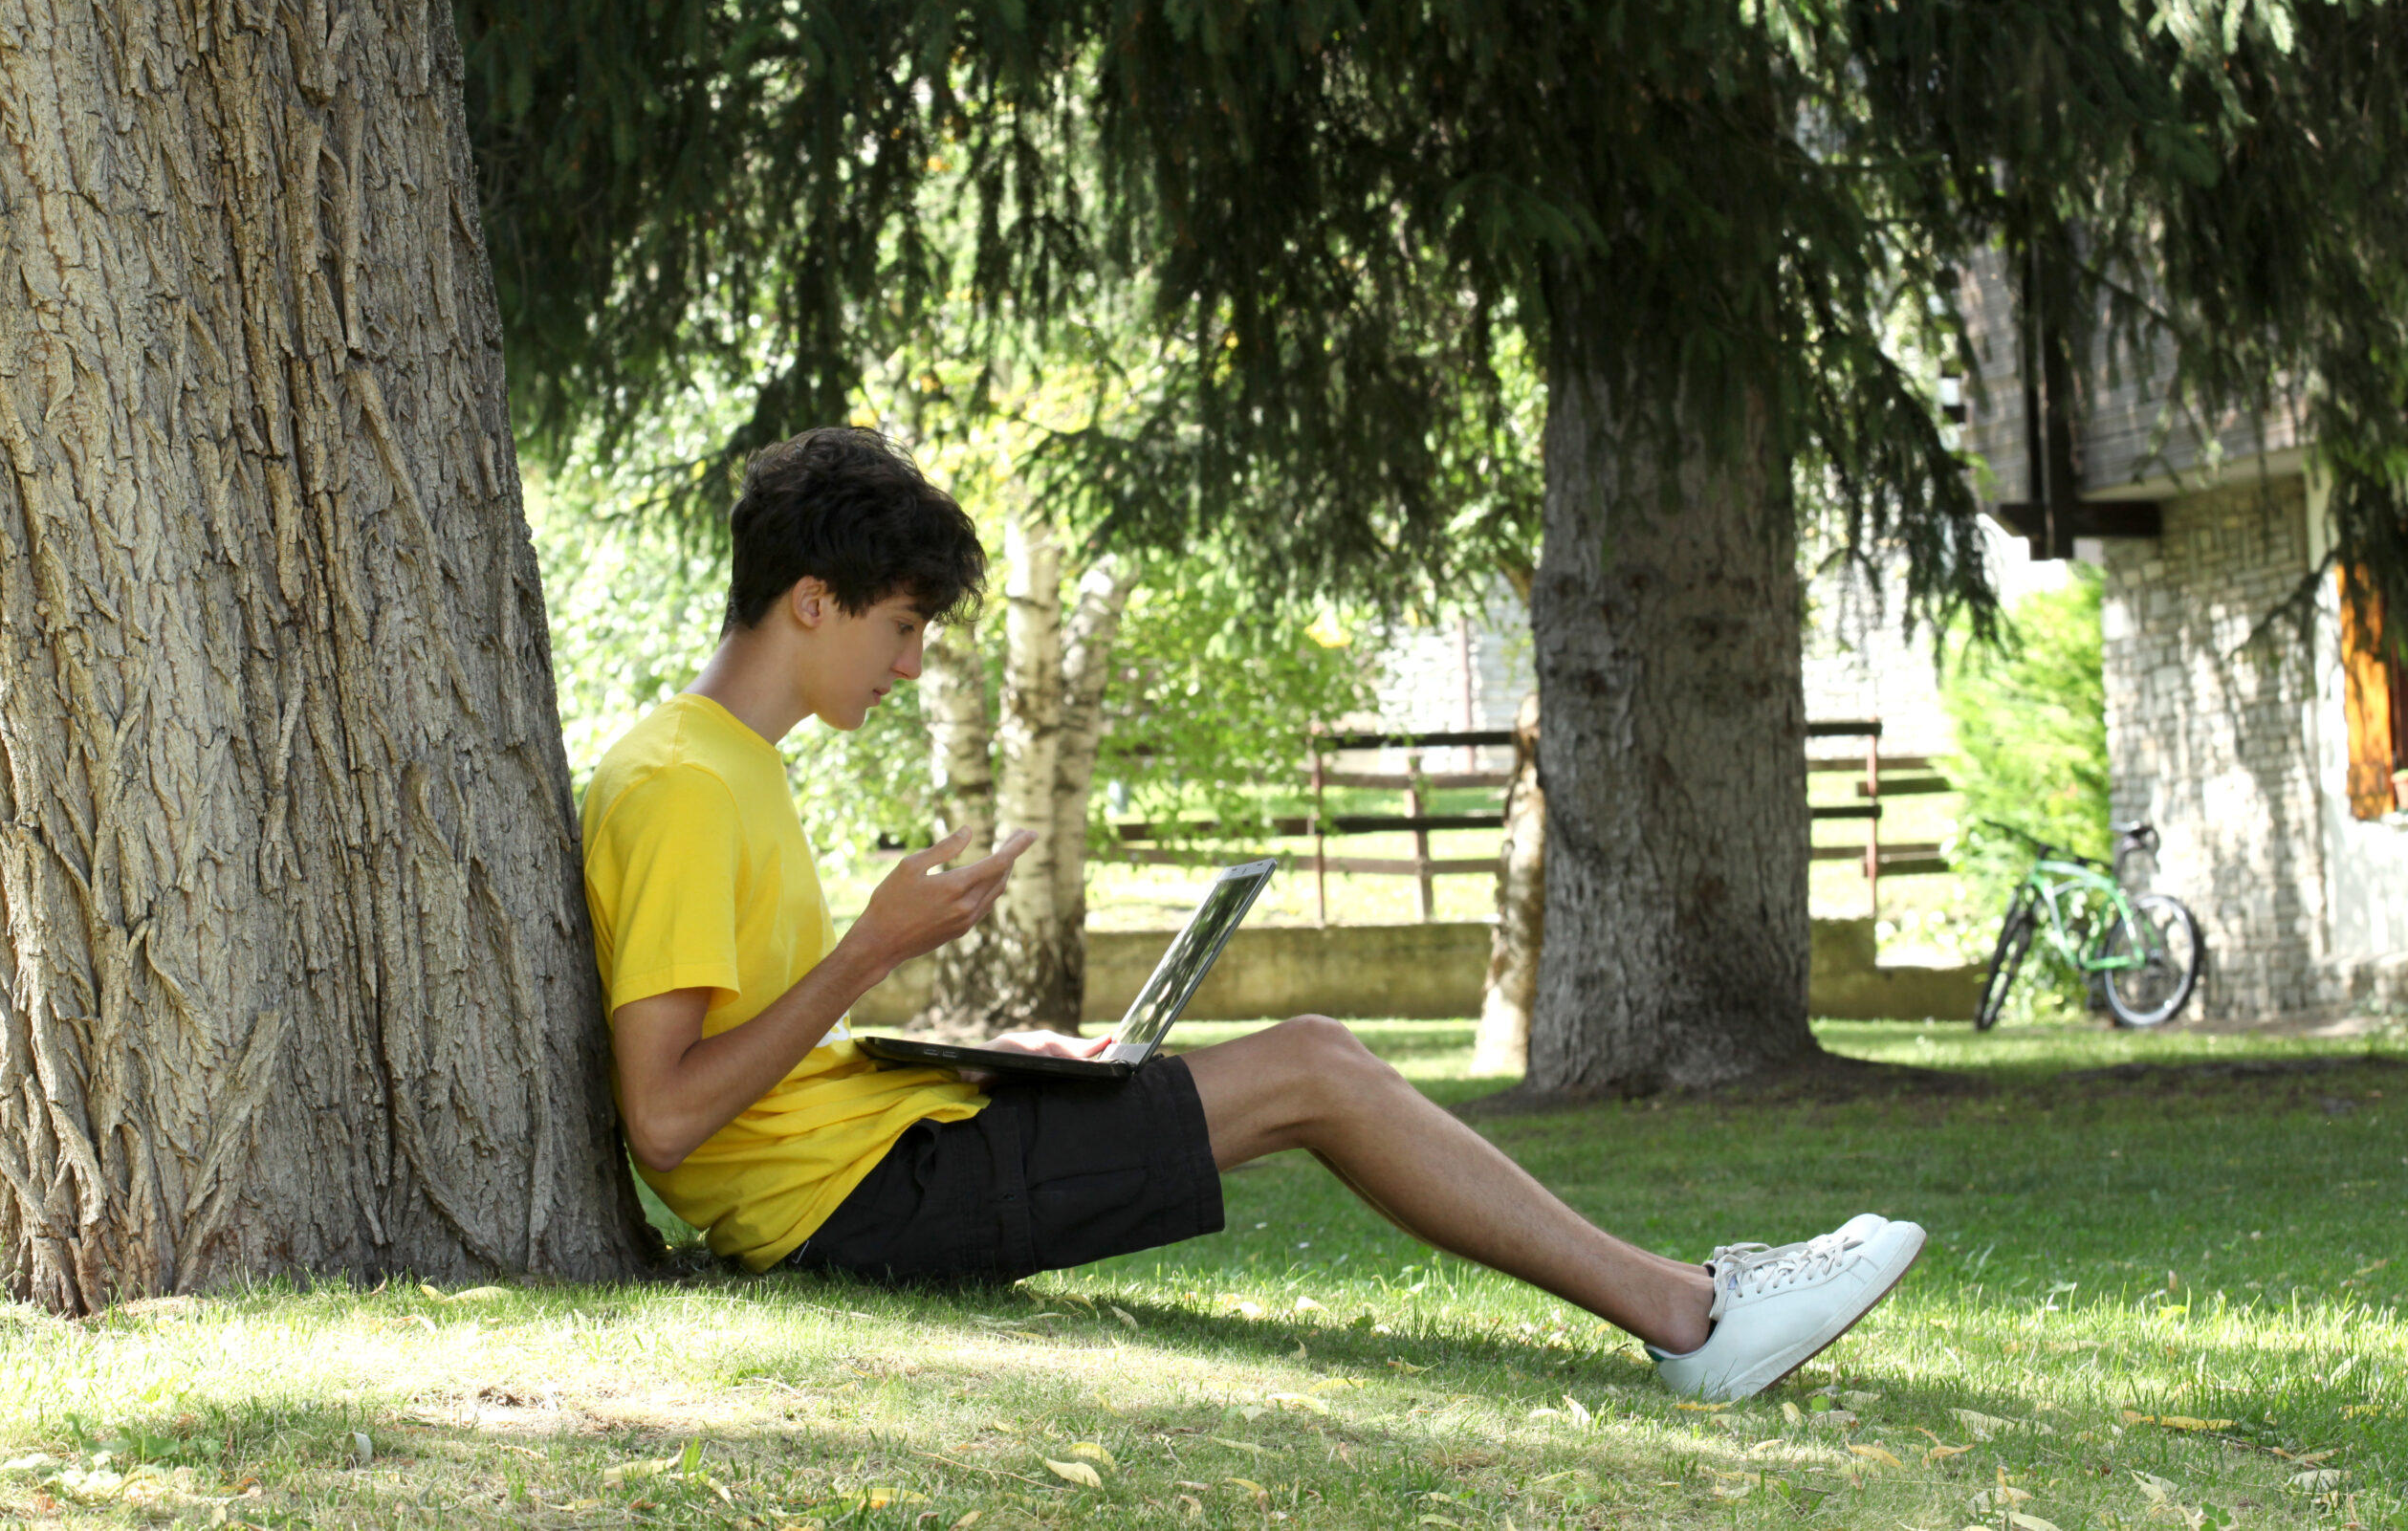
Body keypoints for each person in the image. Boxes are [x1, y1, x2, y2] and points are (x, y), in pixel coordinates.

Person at [581, 426, 1924, 1402]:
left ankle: (1690, 1303)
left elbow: (740, 1062)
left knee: (1308, 1059)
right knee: (1315, 1068)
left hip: (884, 1153)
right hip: (855, 1214)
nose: (911, 659)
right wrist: (873, 951)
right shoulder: (685, 787)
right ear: (811, 602)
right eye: (901, 623)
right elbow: (670, 1118)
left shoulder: (725, 765)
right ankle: (1695, 1319)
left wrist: (950, 1055)